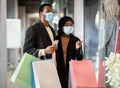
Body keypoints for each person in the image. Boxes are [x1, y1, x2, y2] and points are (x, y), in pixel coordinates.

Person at [56, 16, 83, 88]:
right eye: (67, 25)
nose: (69, 27)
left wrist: (78, 49)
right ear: (62, 27)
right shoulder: (56, 39)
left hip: (71, 70)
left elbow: (80, 58)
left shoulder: (75, 40)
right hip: (58, 69)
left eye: (71, 25)